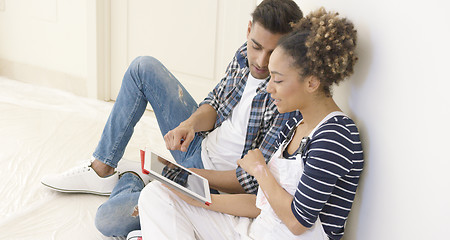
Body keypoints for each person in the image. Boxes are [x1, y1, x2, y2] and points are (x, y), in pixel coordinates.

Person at [40, 0, 303, 237]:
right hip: (199, 146)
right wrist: (189, 124)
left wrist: (185, 177)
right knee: (142, 67)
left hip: (218, 184)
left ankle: (135, 178)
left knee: (108, 220)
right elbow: (215, 102)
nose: (261, 60)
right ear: (248, 30)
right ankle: (102, 167)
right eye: (256, 46)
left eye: (273, 52)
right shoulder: (244, 55)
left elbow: (251, 182)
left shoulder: (286, 96)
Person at [137, 7, 363, 240]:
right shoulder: (295, 126)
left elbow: (298, 222)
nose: (269, 87)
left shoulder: (336, 136)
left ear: (312, 82)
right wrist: (198, 198)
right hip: (253, 231)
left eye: (278, 80)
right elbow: (260, 205)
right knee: (157, 195)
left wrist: (259, 170)